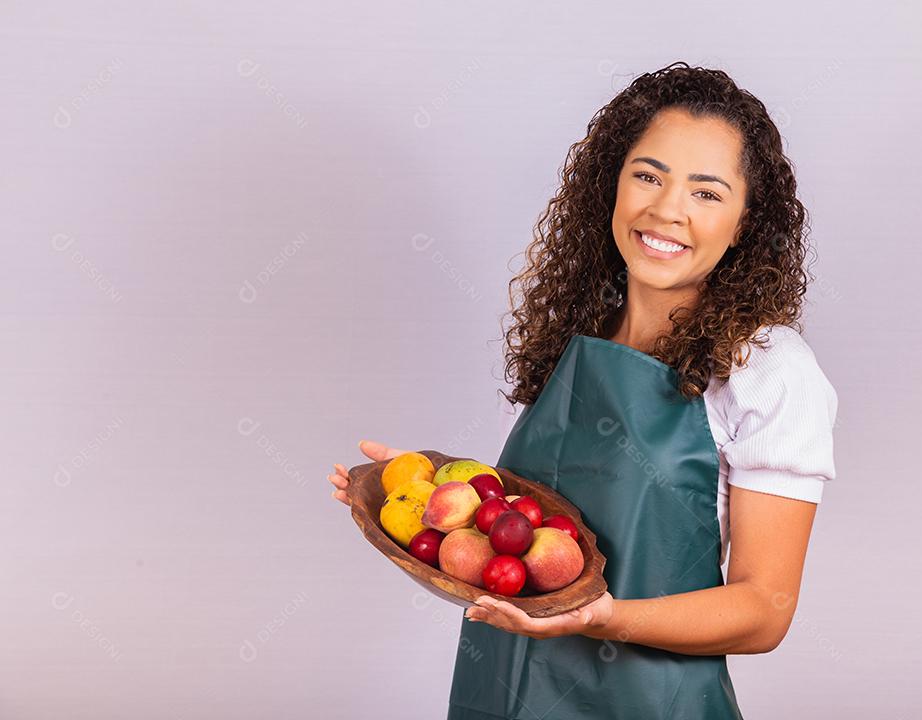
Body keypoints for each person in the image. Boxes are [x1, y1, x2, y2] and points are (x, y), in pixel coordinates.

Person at [328, 61, 838, 720]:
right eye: (647, 176)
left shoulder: (768, 371)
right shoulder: (579, 336)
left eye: (706, 193)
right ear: (612, 185)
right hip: (505, 694)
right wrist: (422, 500)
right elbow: (528, 539)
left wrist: (603, 619)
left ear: (745, 221)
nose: (666, 209)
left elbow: (763, 610)